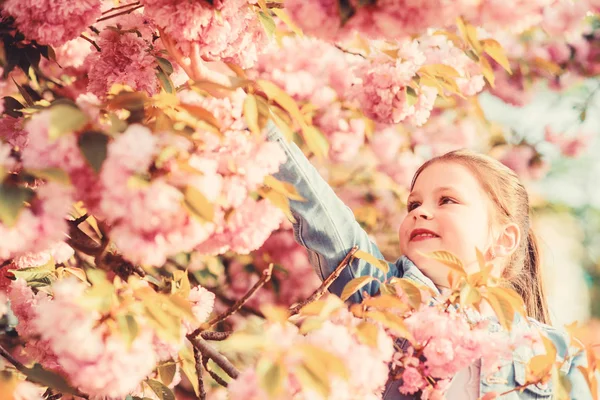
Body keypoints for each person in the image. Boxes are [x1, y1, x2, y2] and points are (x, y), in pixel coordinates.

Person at [265, 120, 597, 400]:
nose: (421, 211)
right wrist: (260, 131)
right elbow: (323, 216)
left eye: (447, 200)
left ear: (504, 238)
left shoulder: (560, 355)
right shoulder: (385, 296)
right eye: (413, 204)